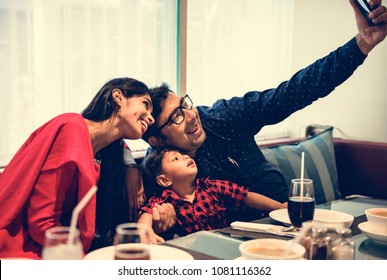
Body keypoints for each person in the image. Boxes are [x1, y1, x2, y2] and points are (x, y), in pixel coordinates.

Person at [142, 0, 387, 223]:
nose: (190, 115)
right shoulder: (160, 168)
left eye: (185, 104)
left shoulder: (224, 117)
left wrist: (362, 44)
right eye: (176, 117)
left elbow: (294, 92)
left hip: (286, 219)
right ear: (157, 140)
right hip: (230, 243)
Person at [0, 77, 157, 259]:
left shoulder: (102, 154)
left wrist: (132, 167)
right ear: (118, 97)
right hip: (20, 250)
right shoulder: (72, 128)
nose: (151, 118)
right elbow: (42, 222)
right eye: (145, 104)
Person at [138, 147, 287, 244]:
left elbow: (246, 197)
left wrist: (279, 207)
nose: (185, 157)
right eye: (175, 159)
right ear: (164, 180)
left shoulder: (212, 186)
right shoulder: (165, 201)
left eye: (183, 155)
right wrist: (146, 232)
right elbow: (146, 214)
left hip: (223, 243)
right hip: (191, 251)